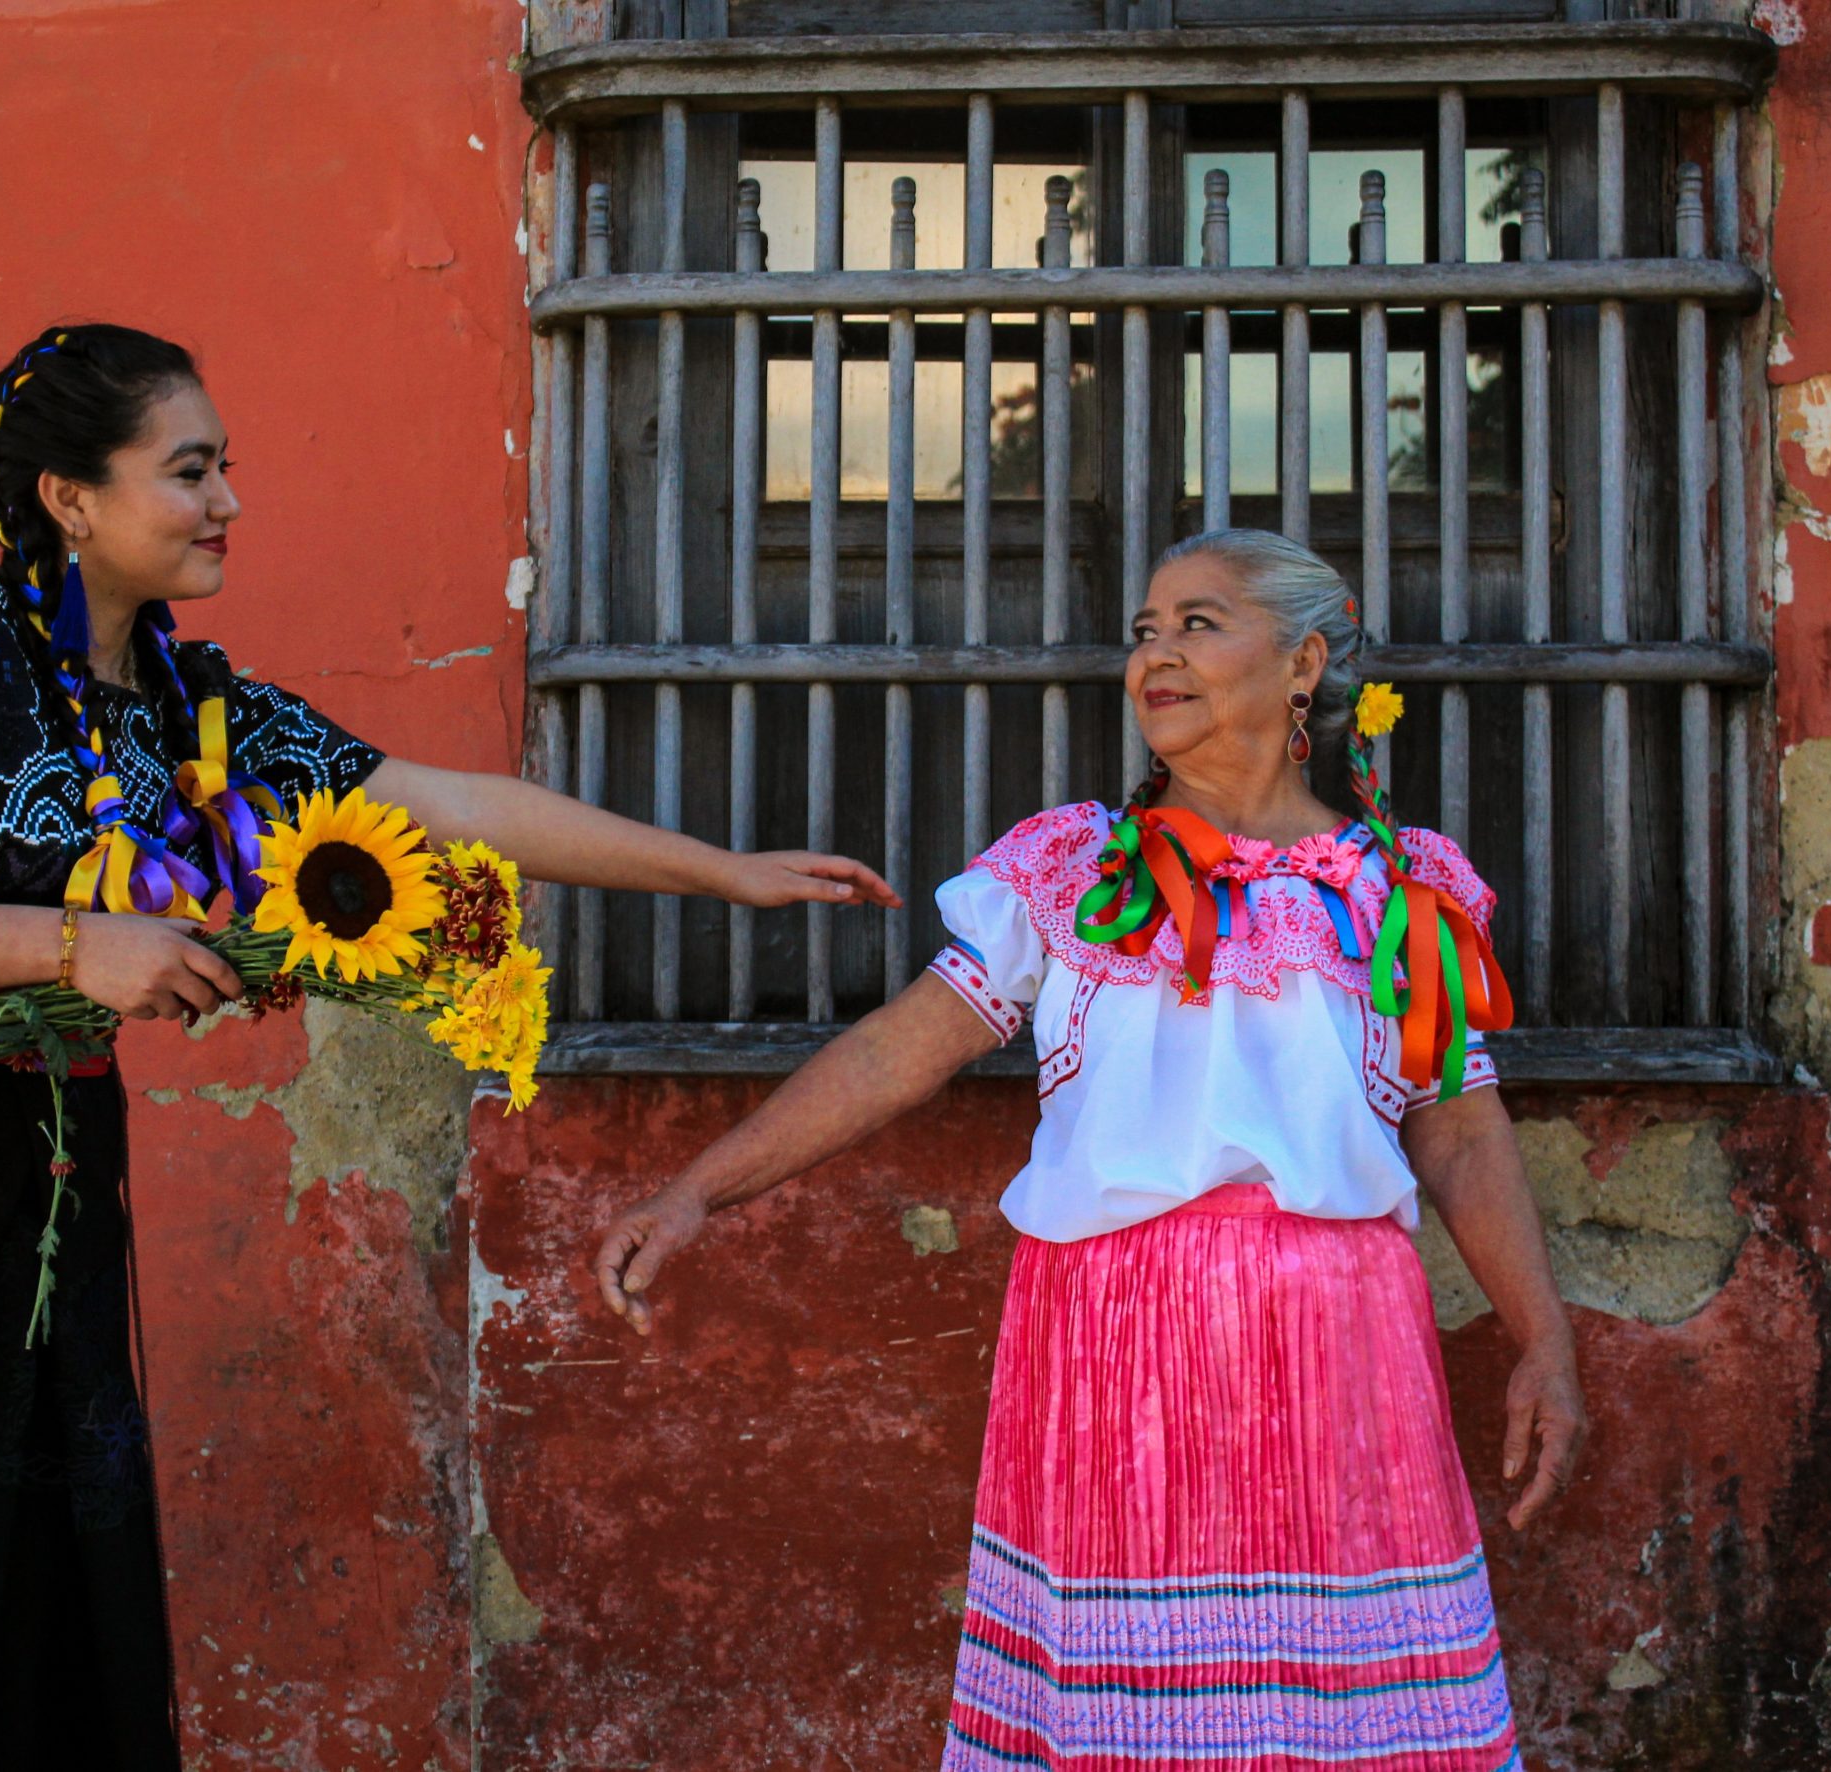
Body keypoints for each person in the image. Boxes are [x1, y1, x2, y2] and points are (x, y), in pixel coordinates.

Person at [0, 321, 897, 1771]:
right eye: (191, 470)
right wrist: (77, 947)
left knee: (5, 1580)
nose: (229, 504)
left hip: (40, 1173)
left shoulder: (196, 708)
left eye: (226, 468)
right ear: (70, 495)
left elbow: (444, 802)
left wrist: (721, 871)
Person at [593, 527, 1587, 1771]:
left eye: (1197, 623)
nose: (1154, 654)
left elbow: (1458, 1127)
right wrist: (700, 1191)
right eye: (1143, 629)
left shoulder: (1404, 891)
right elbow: (898, 1052)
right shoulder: (1073, 871)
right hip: (1118, 1348)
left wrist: (1543, 1340)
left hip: (1342, 1356)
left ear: (1303, 665)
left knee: (1338, 1724)